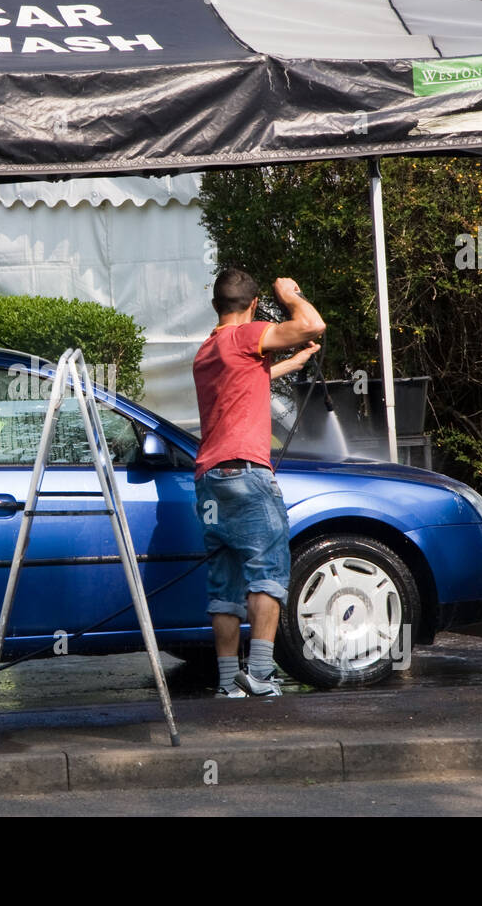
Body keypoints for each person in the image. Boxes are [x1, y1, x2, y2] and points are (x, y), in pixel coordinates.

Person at [193, 268, 324, 697]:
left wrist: (293, 362)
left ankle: (230, 682)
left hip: (210, 479)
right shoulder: (245, 336)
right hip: (245, 472)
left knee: (224, 583)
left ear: (215, 305)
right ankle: (263, 675)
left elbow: (246, 380)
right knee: (267, 572)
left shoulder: (208, 351)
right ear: (252, 308)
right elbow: (311, 324)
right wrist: (291, 293)